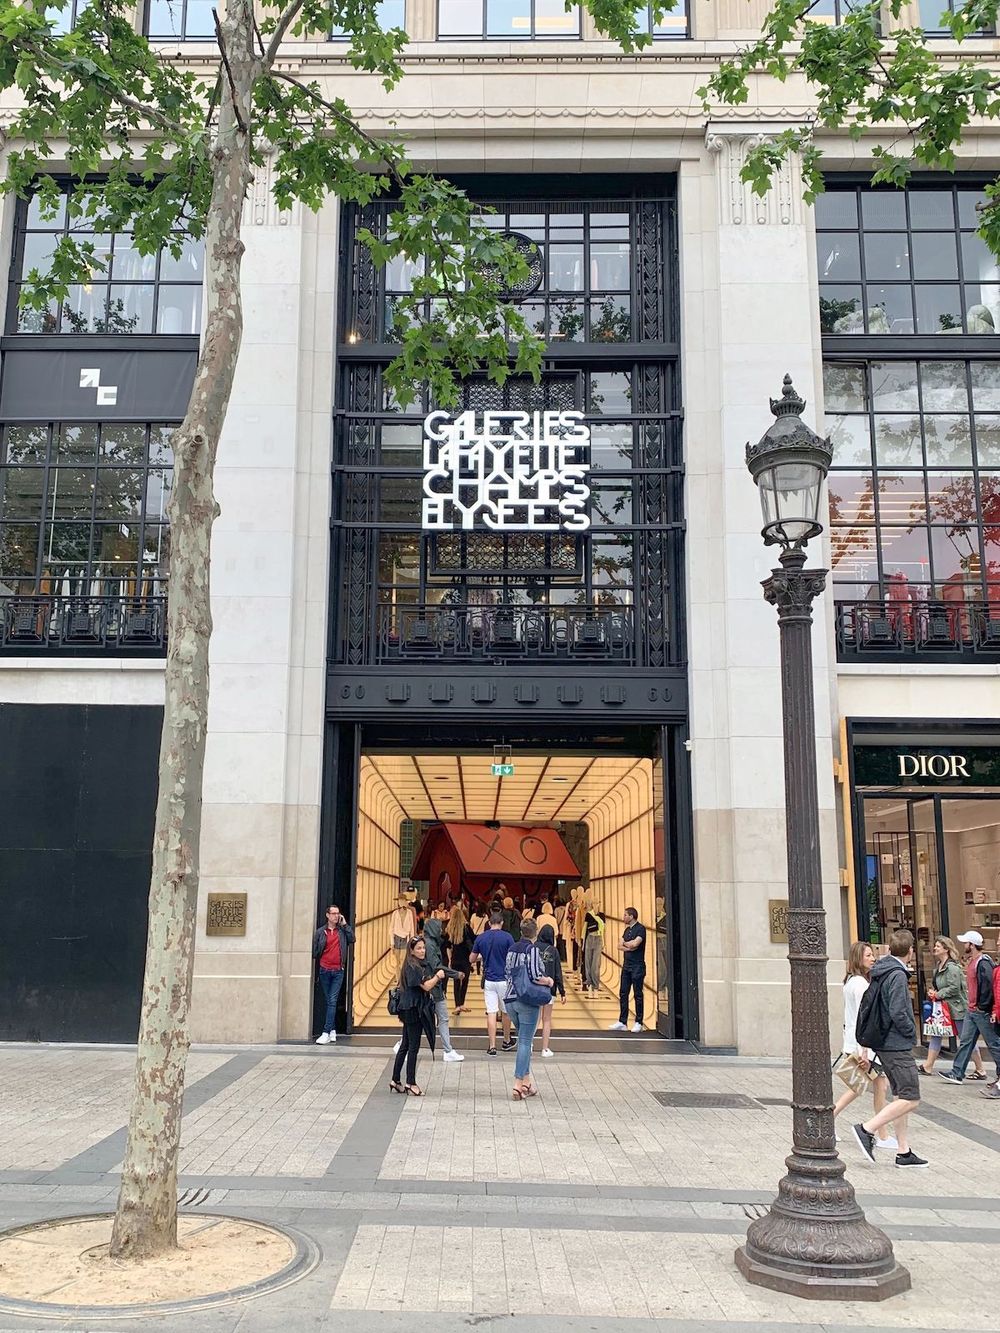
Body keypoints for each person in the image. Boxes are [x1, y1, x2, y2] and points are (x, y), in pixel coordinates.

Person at [851, 929, 928, 1169]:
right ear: (911, 952)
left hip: (885, 1042)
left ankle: (903, 1151)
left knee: (900, 1095)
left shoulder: (882, 971)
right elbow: (898, 1010)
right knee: (911, 1097)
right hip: (895, 1043)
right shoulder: (896, 975)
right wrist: (909, 1031)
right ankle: (867, 1129)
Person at [832, 942, 895, 1150]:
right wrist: (864, 1048)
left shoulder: (852, 982)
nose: (873, 958)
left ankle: (883, 1133)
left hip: (859, 1043)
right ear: (859, 958)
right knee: (858, 1086)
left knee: (878, 1085)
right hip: (863, 1046)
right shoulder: (860, 984)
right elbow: (863, 1016)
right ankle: (830, 1118)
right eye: (868, 955)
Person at [938, 930, 1000, 1085]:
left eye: (966, 943)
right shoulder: (975, 961)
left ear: (972, 945)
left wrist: (983, 1006)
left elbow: (987, 986)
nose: (964, 945)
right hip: (973, 1010)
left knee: (993, 1043)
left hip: (980, 1010)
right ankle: (957, 1072)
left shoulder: (982, 962)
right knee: (966, 1041)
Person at [920, 935, 984, 1078]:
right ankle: (928, 1066)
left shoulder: (952, 967)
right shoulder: (938, 967)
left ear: (946, 949)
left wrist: (938, 994)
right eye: (935, 945)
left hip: (956, 1008)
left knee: (965, 1038)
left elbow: (954, 988)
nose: (935, 948)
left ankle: (980, 1068)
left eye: (938, 946)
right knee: (936, 1034)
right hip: (943, 1009)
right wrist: (934, 992)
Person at [504, 919, 554, 1098]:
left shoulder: (511, 949)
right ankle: (518, 1084)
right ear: (535, 933)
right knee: (525, 1042)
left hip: (509, 999)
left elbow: (507, 972)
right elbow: (534, 975)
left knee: (524, 1039)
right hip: (526, 1000)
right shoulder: (532, 949)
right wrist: (548, 981)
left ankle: (527, 1082)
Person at [391, 936, 445, 1096]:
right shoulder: (413, 967)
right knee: (413, 1047)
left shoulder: (413, 964)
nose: (422, 951)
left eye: (423, 947)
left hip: (408, 1008)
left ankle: (395, 1080)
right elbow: (426, 986)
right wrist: (438, 976)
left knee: (405, 1045)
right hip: (413, 1009)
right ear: (412, 950)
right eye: (419, 948)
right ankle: (411, 1083)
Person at [470, 911, 516, 1056]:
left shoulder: (481, 938)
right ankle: (507, 1040)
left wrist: (482, 957)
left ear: (489, 923)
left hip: (489, 980)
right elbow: (513, 958)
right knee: (506, 1012)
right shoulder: (507, 937)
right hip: (504, 980)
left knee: (491, 1012)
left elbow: (471, 958)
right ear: (501, 923)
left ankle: (492, 1046)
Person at [422, 916, 464, 1063]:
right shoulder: (430, 945)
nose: (441, 930)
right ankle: (448, 1050)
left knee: (426, 1019)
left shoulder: (428, 943)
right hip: (433, 988)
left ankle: (448, 1050)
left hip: (431, 987)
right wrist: (455, 974)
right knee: (441, 1018)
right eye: (439, 928)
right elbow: (436, 966)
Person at [312, 904, 355, 1045]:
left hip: (338, 971)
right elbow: (315, 951)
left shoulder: (342, 931)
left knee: (332, 1000)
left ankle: (325, 1032)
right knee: (329, 1001)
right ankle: (332, 1030)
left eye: (338, 913)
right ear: (327, 915)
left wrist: (345, 924)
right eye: (334, 913)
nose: (336, 916)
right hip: (324, 969)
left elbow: (352, 938)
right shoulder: (320, 932)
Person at [609, 907, 646, 1032]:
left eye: (625, 915)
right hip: (626, 965)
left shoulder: (641, 929)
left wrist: (628, 944)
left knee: (638, 994)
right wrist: (628, 945)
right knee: (623, 992)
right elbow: (620, 946)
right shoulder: (626, 930)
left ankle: (639, 1022)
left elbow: (635, 944)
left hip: (637, 966)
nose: (623, 917)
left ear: (631, 916)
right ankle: (622, 1021)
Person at [536, 923, 566, 1057]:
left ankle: (529, 1045)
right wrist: (562, 992)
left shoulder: (533, 947)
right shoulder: (553, 951)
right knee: (546, 1019)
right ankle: (545, 1049)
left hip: (534, 988)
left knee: (533, 1019)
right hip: (549, 989)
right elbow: (558, 973)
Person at [446, 903, 476, 1014]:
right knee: (465, 981)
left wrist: (449, 959)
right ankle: (462, 1003)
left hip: (455, 959)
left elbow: (447, 946)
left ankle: (457, 1005)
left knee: (456, 982)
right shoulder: (466, 927)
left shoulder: (450, 928)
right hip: (465, 959)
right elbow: (473, 940)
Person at [389, 894, 416, 982]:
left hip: (405, 938)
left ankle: (403, 979)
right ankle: (398, 979)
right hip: (396, 938)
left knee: (403, 960)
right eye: (400, 901)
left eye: (403, 900)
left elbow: (412, 928)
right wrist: (392, 942)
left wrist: (412, 942)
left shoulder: (409, 912)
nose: (401, 902)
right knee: (397, 961)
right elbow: (391, 928)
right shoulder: (395, 913)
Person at [582, 901, 605, 994]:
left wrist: (604, 942)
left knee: (595, 965)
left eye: (597, 902)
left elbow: (603, 929)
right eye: (594, 903)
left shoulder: (602, 915)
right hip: (589, 938)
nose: (596, 904)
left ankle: (595, 987)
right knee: (588, 963)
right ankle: (589, 985)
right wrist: (583, 942)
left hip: (598, 939)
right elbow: (585, 928)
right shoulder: (588, 914)